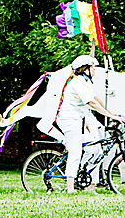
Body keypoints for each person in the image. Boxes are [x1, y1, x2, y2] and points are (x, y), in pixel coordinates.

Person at [42, 53, 109, 193]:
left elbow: (96, 99)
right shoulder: (77, 83)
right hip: (69, 121)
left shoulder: (85, 83)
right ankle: (70, 188)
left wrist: (111, 113)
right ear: (85, 69)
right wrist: (109, 115)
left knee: (94, 149)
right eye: (92, 67)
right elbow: (91, 103)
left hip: (78, 121)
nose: (94, 70)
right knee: (75, 152)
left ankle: (83, 179)